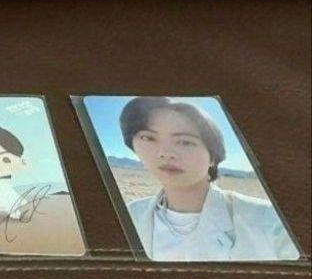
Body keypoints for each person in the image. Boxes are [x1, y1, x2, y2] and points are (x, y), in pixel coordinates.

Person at [117, 96, 299, 261]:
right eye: (148, 138)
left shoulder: (269, 219)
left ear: (212, 156)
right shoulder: (129, 215)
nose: (165, 153)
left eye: (184, 141)